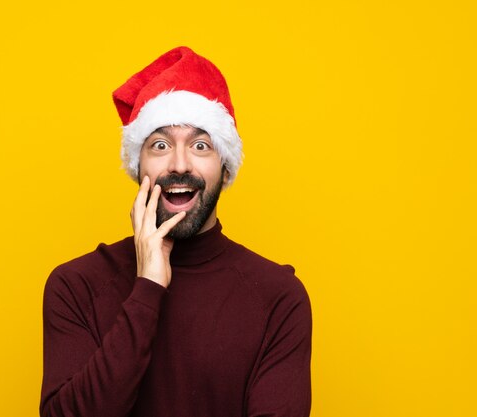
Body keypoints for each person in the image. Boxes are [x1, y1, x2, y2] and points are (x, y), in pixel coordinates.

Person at [40, 46, 312, 417]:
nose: (180, 164)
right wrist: (148, 287)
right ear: (138, 168)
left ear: (226, 169)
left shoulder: (278, 298)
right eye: (160, 145)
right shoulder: (76, 286)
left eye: (201, 145)